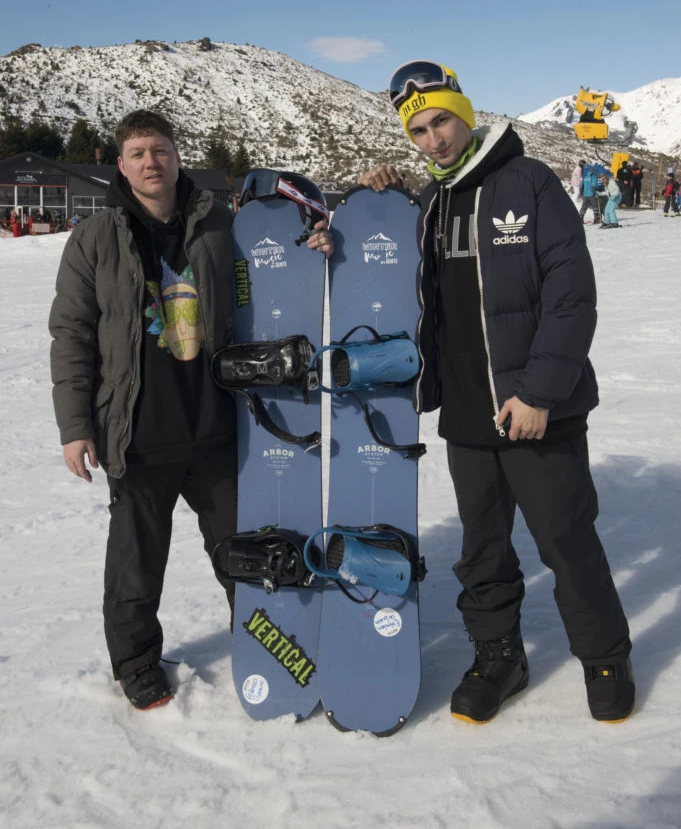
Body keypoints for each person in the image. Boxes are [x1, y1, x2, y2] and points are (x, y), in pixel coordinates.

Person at [360, 60, 634, 725]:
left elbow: (571, 297)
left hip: (537, 408)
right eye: (418, 131)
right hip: (465, 410)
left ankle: (604, 657)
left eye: (441, 123)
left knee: (565, 541)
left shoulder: (529, 182)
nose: (433, 140)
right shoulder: (428, 205)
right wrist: (368, 202)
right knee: (481, 551)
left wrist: (538, 393)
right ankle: (498, 657)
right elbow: (380, 265)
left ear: (464, 115)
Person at [49, 109, 333, 711]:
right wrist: (75, 427)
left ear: (177, 156)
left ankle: (263, 638)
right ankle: (136, 663)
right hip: (137, 431)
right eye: (137, 154)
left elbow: (278, 272)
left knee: (242, 548)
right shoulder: (94, 238)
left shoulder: (223, 224)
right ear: (121, 165)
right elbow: (71, 333)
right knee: (135, 564)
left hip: (216, 425)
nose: (150, 162)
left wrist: (314, 245)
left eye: (160, 150)